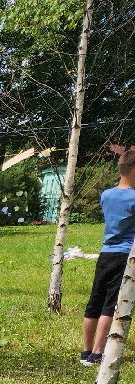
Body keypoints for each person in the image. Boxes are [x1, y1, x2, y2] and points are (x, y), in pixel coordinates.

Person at [81, 148, 135, 366]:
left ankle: (86, 351)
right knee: (111, 305)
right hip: (125, 256)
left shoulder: (106, 195)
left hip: (106, 254)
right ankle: (97, 353)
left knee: (95, 300)